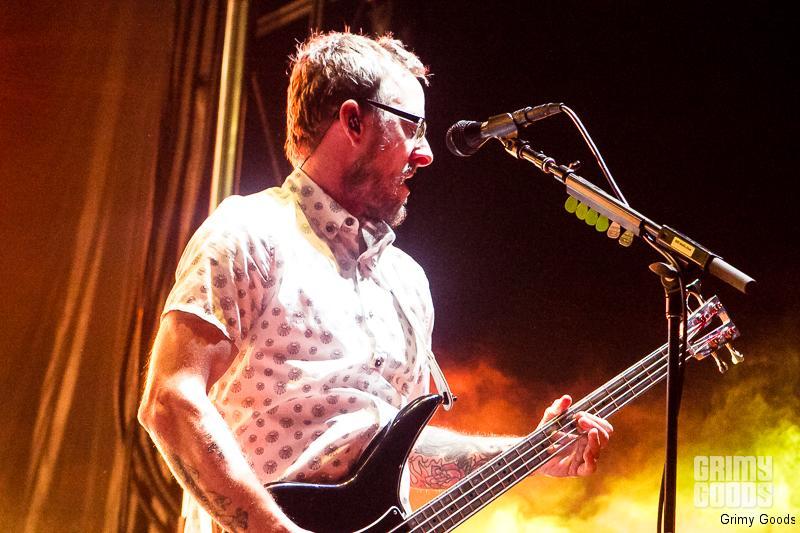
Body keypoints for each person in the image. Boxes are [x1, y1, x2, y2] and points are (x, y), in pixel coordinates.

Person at [138, 31, 613, 533]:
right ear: (353, 121)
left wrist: (529, 453)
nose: (426, 153)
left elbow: (397, 452)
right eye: (412, 127)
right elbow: (170, 401)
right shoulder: (250, 232)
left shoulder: (407, 283)